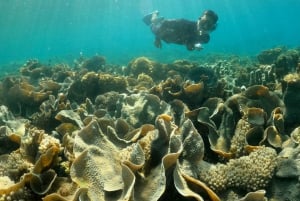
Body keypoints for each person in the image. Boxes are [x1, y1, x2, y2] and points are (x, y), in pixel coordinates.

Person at [143, 10, 218, 51]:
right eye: (204, 22)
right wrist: (157, 39)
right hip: (160, 29)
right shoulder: (184, 23)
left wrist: (195, 46)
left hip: (170, 38)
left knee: (168, 37)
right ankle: (155, 14)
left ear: (212, 27)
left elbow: (189, 44)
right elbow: (165, 23)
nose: (205, 26)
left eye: (209, 25)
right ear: (199, 19)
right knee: (153, 22)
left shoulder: (205, 39)